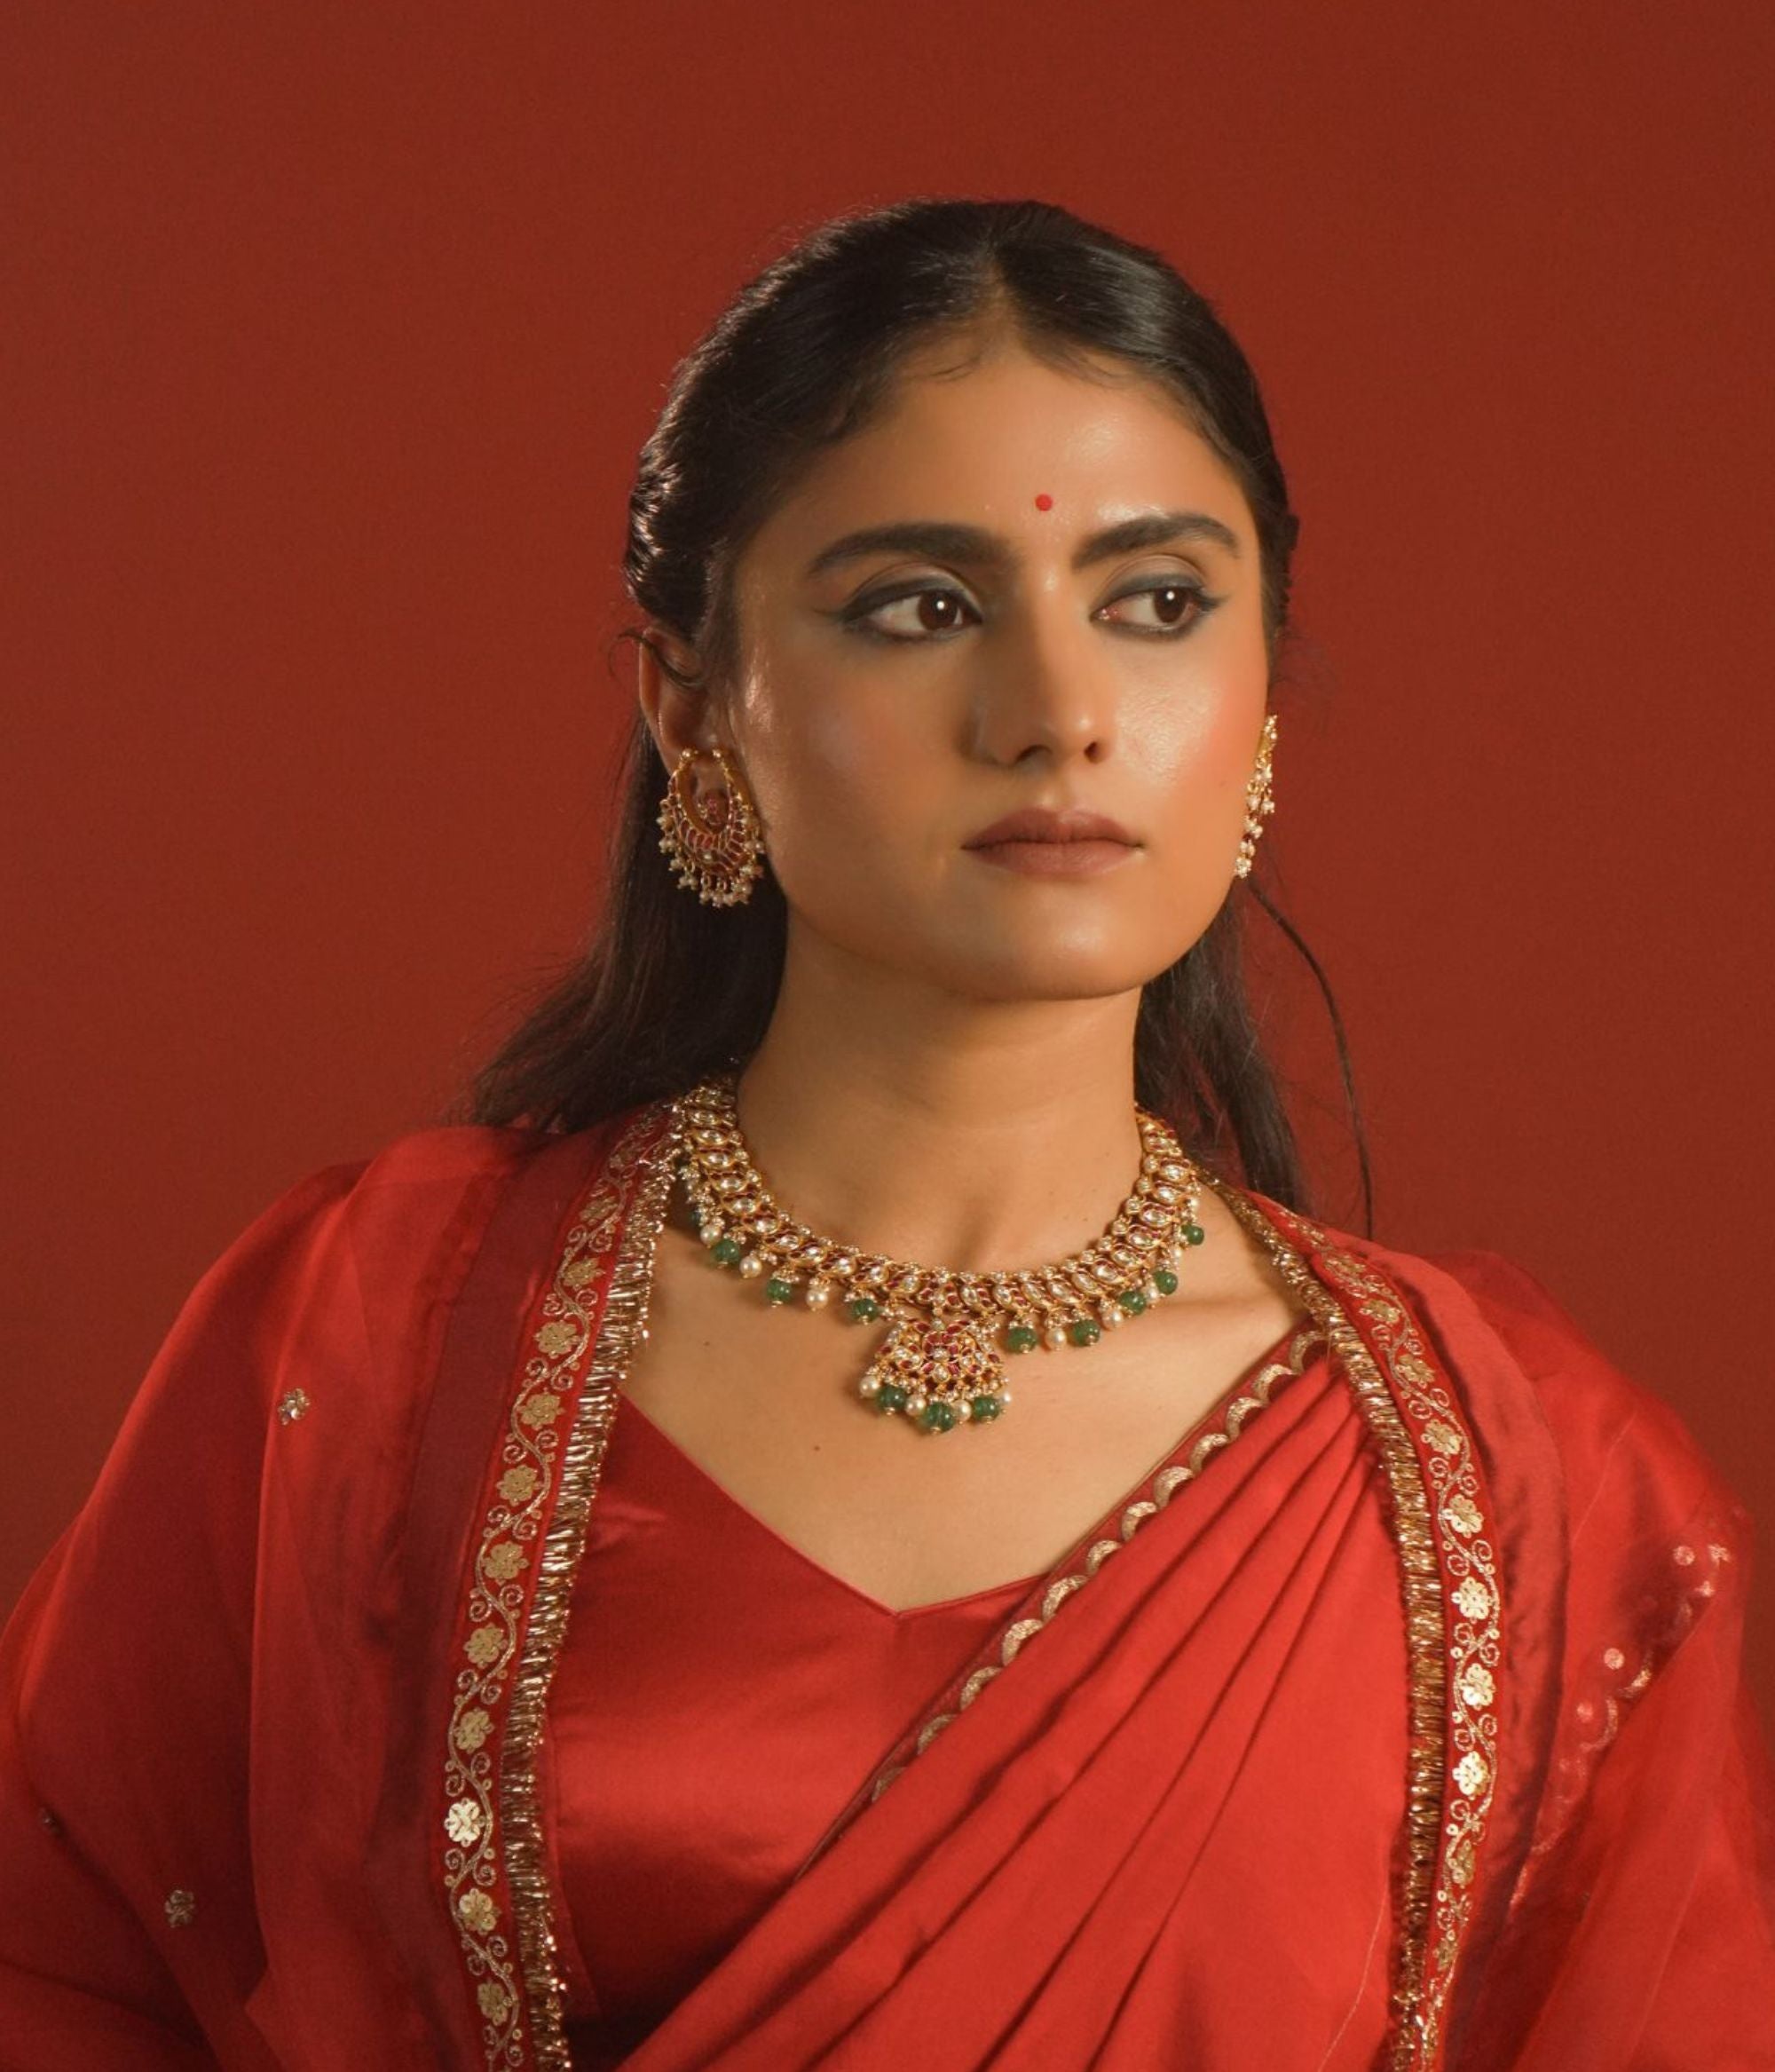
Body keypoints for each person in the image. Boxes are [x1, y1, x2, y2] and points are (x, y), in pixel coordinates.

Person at [2, 197, 1771, 2072]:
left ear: (1260, 701)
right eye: (918, 609)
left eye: (1157, 602)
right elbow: (66, 1970)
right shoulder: (366, 1341)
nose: (1057, 713)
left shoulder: (1524, 1487)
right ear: (691, 705)